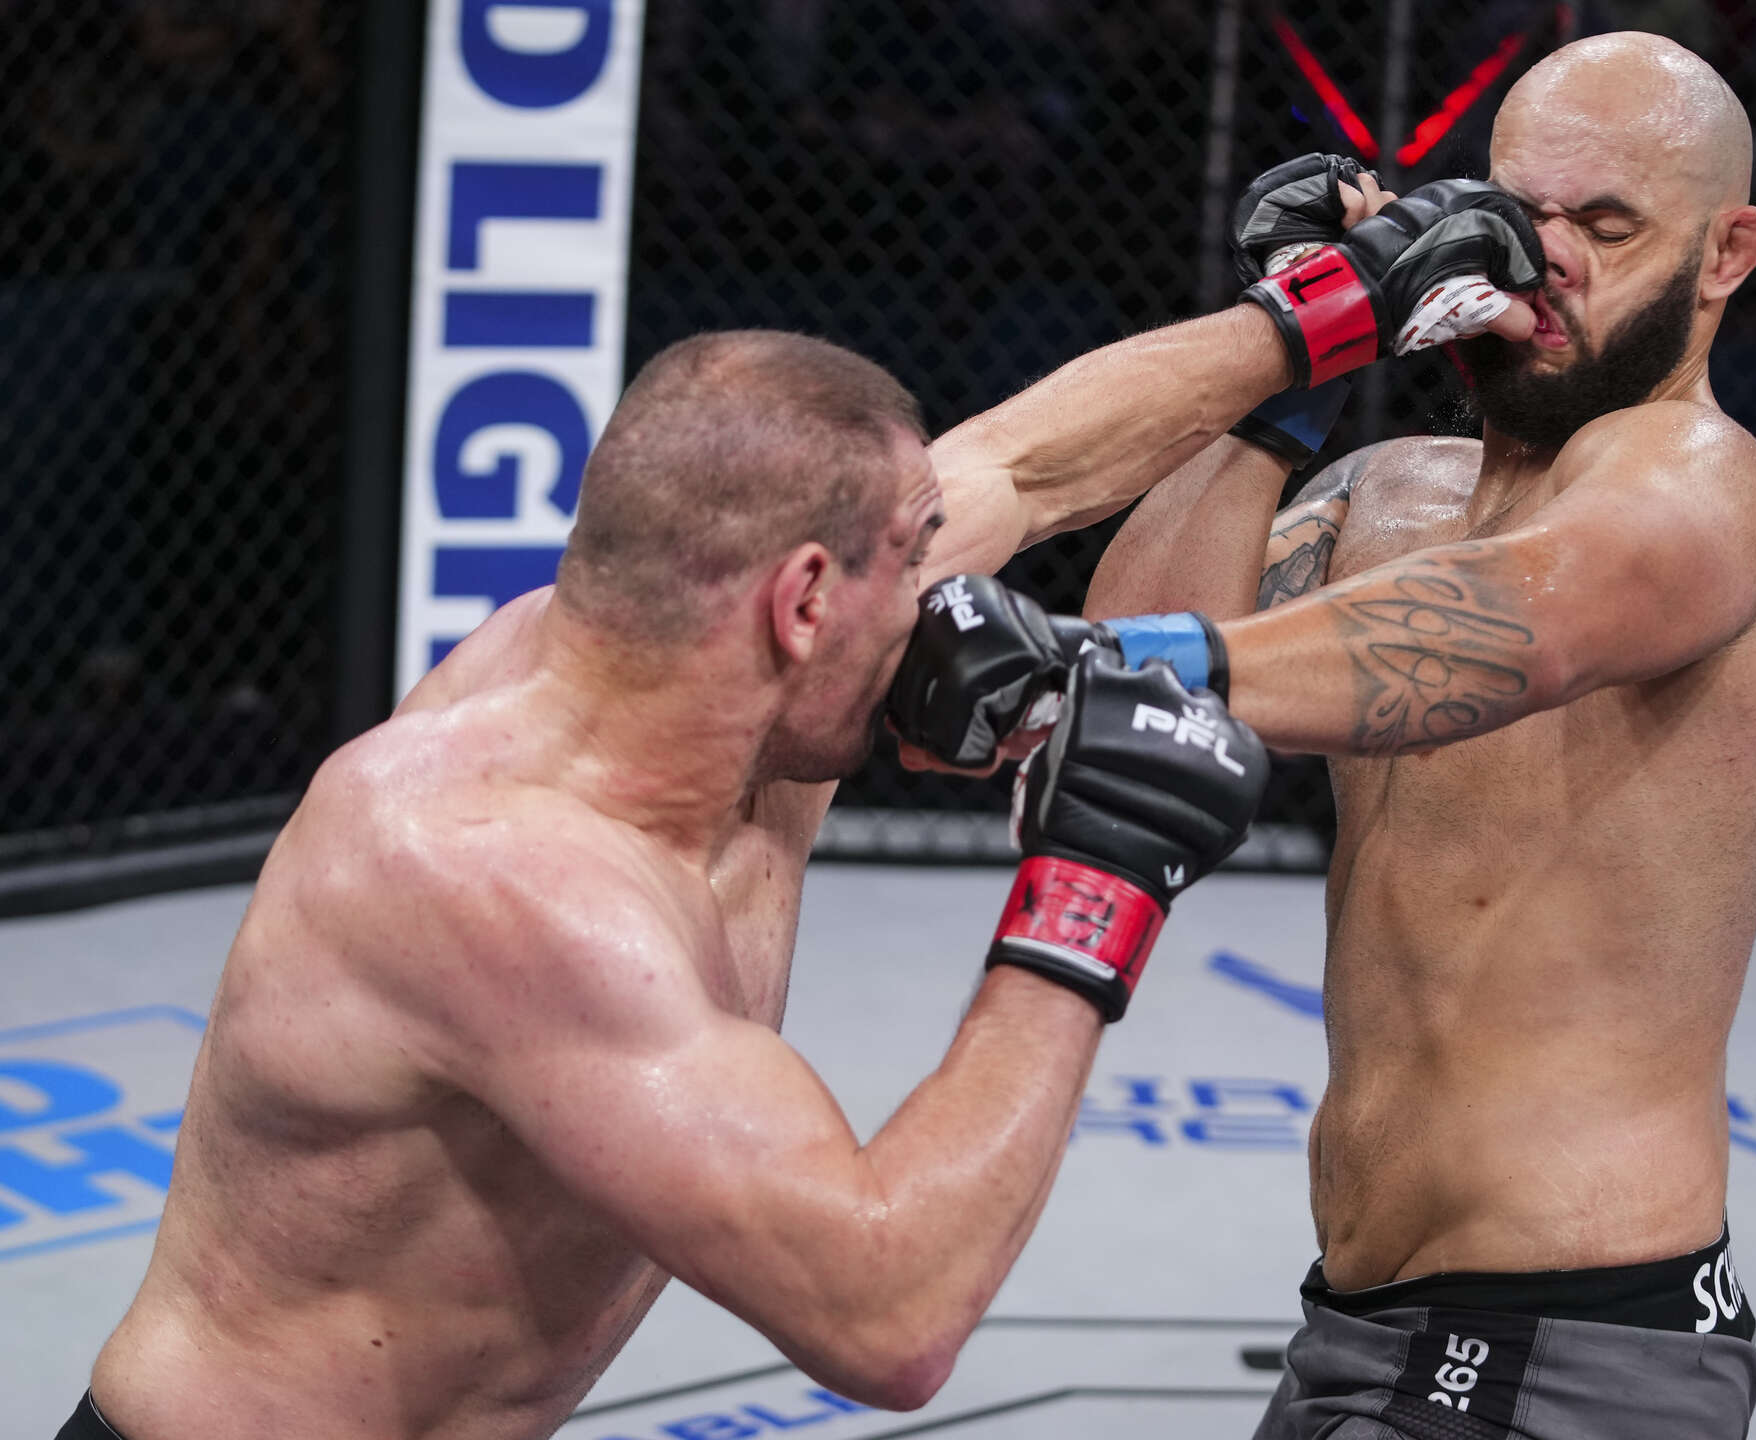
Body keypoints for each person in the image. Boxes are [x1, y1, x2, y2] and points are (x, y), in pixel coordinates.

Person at [66, 306, 1316, 1440]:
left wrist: (1318, 314)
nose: (942, 604)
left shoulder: (723, 675)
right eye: (915, 564)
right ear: (805, 602)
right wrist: (1095, 880)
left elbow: (1022, 465)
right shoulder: (496, 876)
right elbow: (887, 1316)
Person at [893, 32, 1756, 1439]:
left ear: (1725, 254)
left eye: (1609, 226)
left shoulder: (1708, 488)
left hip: (1567, 1342)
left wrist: (1099, 665)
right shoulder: (1390, 494)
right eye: (1520, 212)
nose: (1546, 258)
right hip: (1363, 1325)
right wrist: (1295, 365)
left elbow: (1514, 626)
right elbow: (1140, 655)